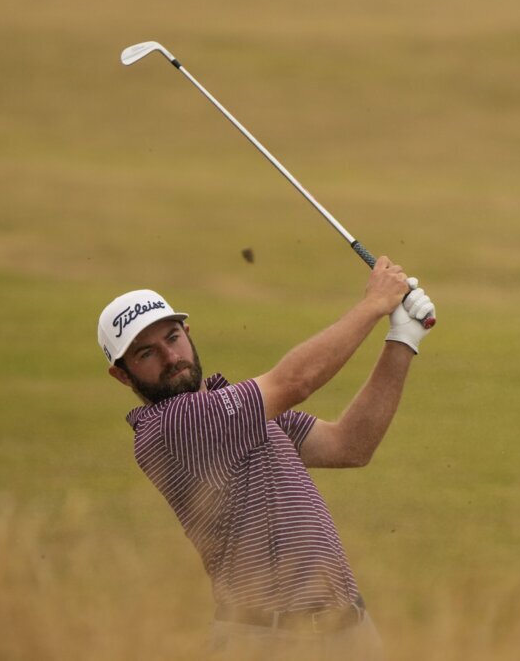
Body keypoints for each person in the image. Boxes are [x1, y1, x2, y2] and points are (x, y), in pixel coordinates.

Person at [96, 256, 435, 660]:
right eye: (146, 353)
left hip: (350, 631)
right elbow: (295, 381)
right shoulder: (172, 426)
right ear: (122, 374)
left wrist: (402, 339)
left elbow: (350, 445)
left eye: (172, 337)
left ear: (187, 332)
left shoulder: (238, 412)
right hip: (269, 641)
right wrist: (374, 304)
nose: (170, 357)